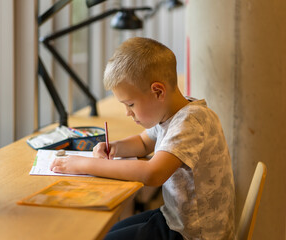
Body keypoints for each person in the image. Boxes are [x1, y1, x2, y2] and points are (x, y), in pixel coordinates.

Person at [50, 37, 235, 240]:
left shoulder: (191, 122)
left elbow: (152, 174)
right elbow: (144, 142)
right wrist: (114, 148)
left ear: (158, 91)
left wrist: (82, 164)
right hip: (177, 218)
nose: (128, 113)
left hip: (196, 234)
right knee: (110, 231)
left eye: (130, 104)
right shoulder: (172, 114)